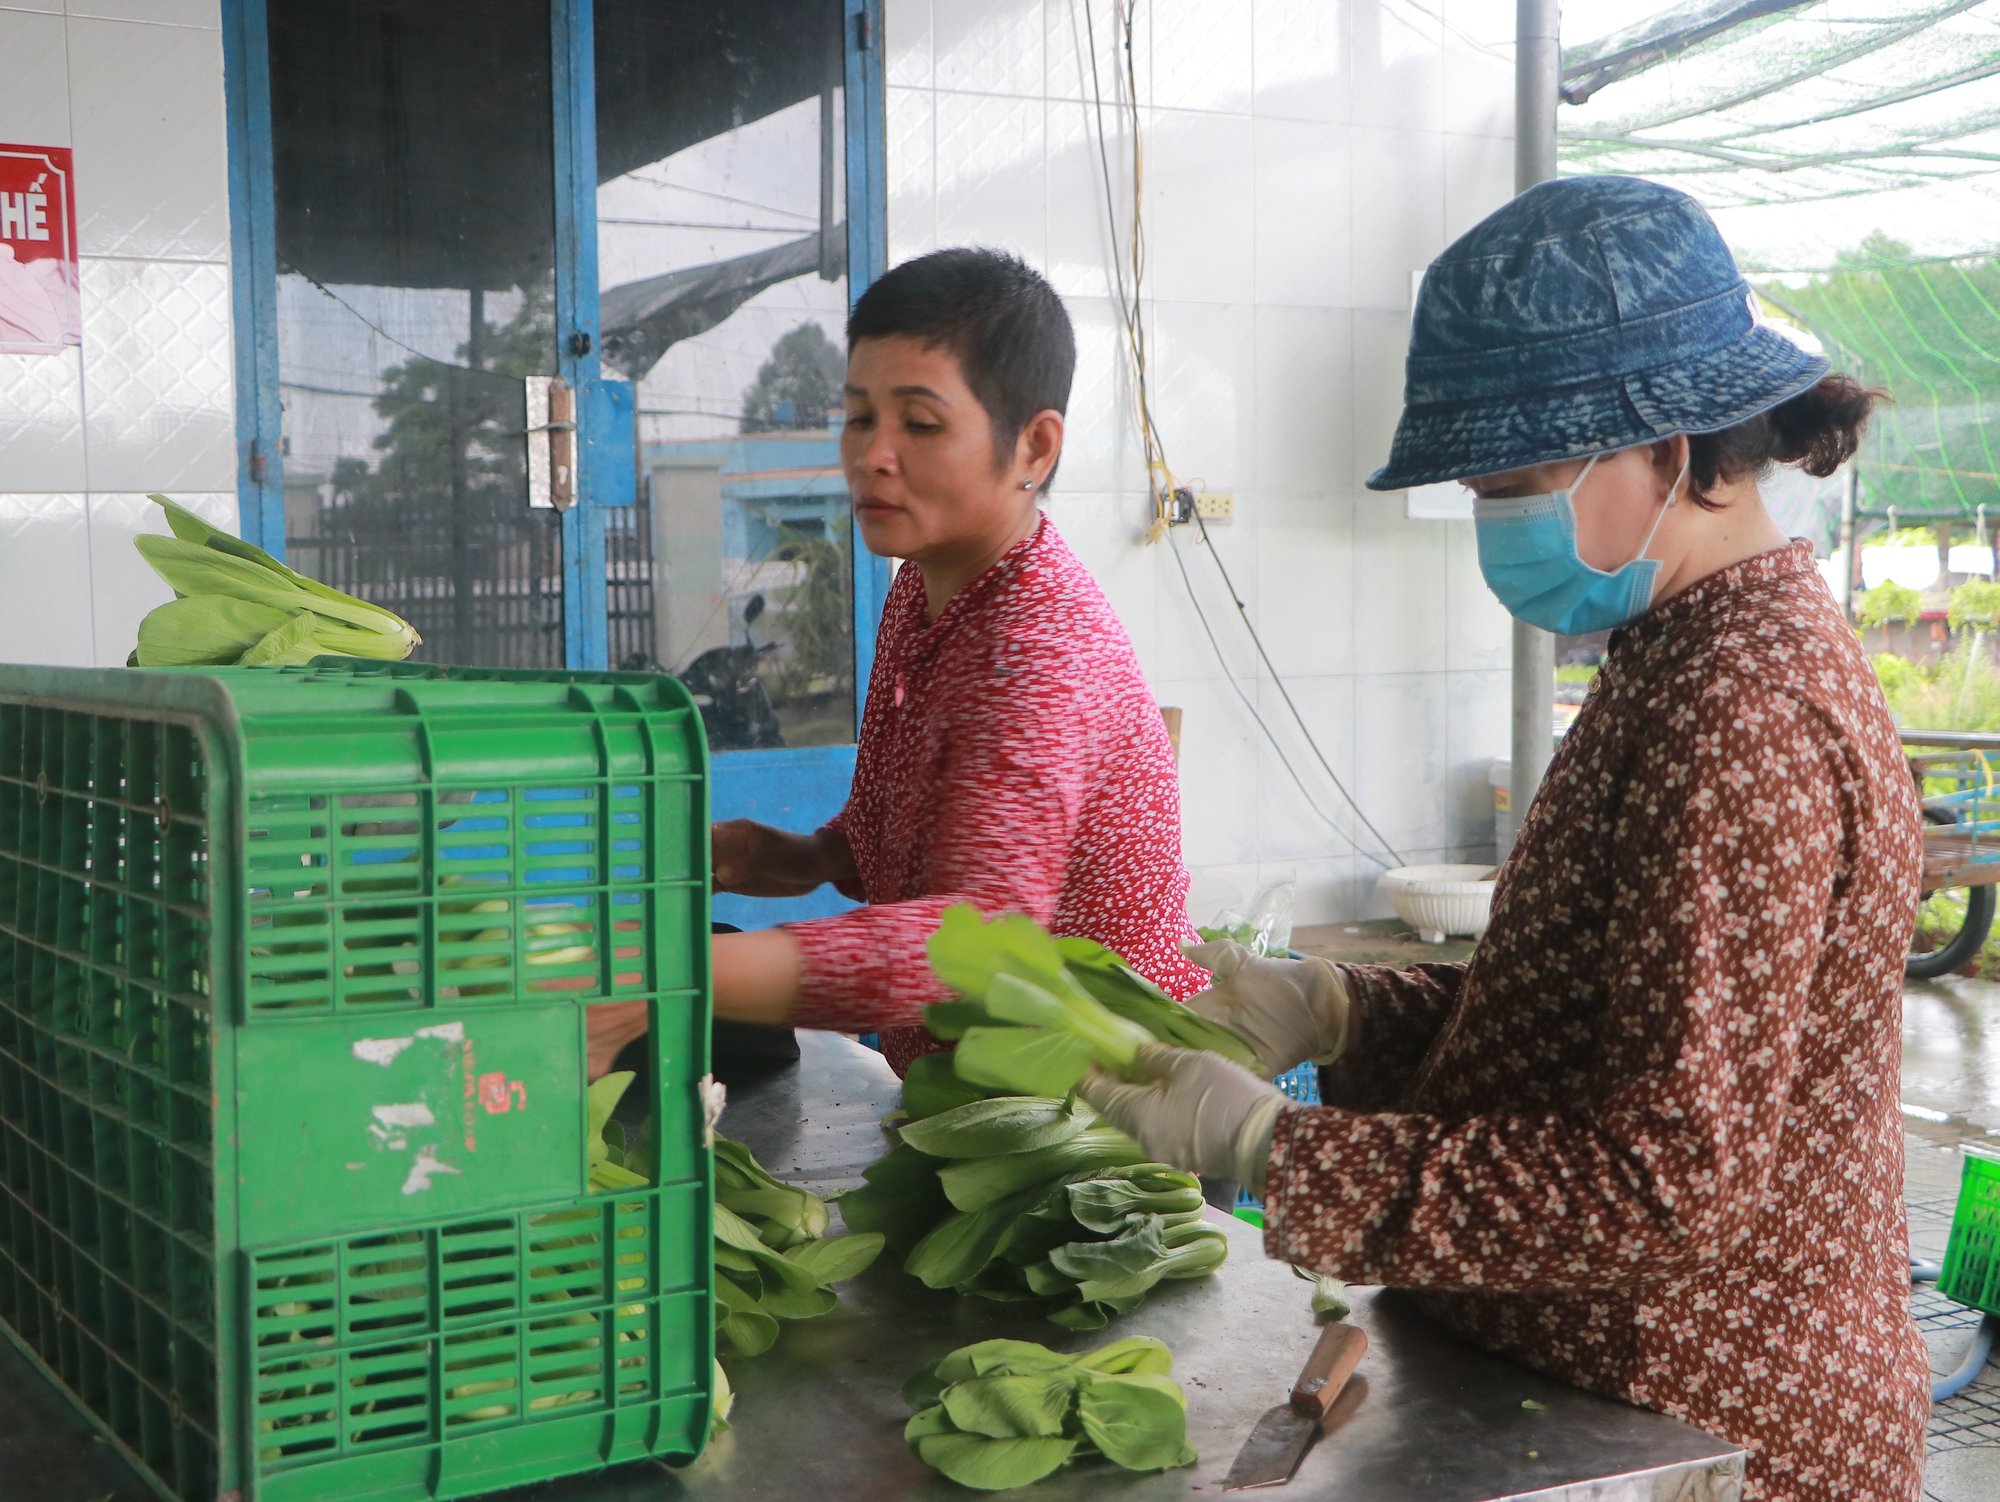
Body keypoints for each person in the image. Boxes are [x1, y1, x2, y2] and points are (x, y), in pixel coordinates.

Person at [1083, 176, 1928, 1502]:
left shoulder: (1740, 712)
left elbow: (1666, 1183)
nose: (1497, 525)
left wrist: (1276, 1153)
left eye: (1518, 482)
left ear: (1680, 446)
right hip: (1583, 1394)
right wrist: (1338, 1011)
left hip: (1699, 1429)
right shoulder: (1680, 651)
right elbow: (1589, 1027)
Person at [589, 248, 1206, 1079]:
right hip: (975, 1104)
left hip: (1111, 1135)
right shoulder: (923, 589)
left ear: (1034, 446)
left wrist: (658, 981)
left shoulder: (1039, 652)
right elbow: (911, 841)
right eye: (857, 417)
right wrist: (781, 855)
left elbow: (958, 949)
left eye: (919, 424)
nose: (873, 455)